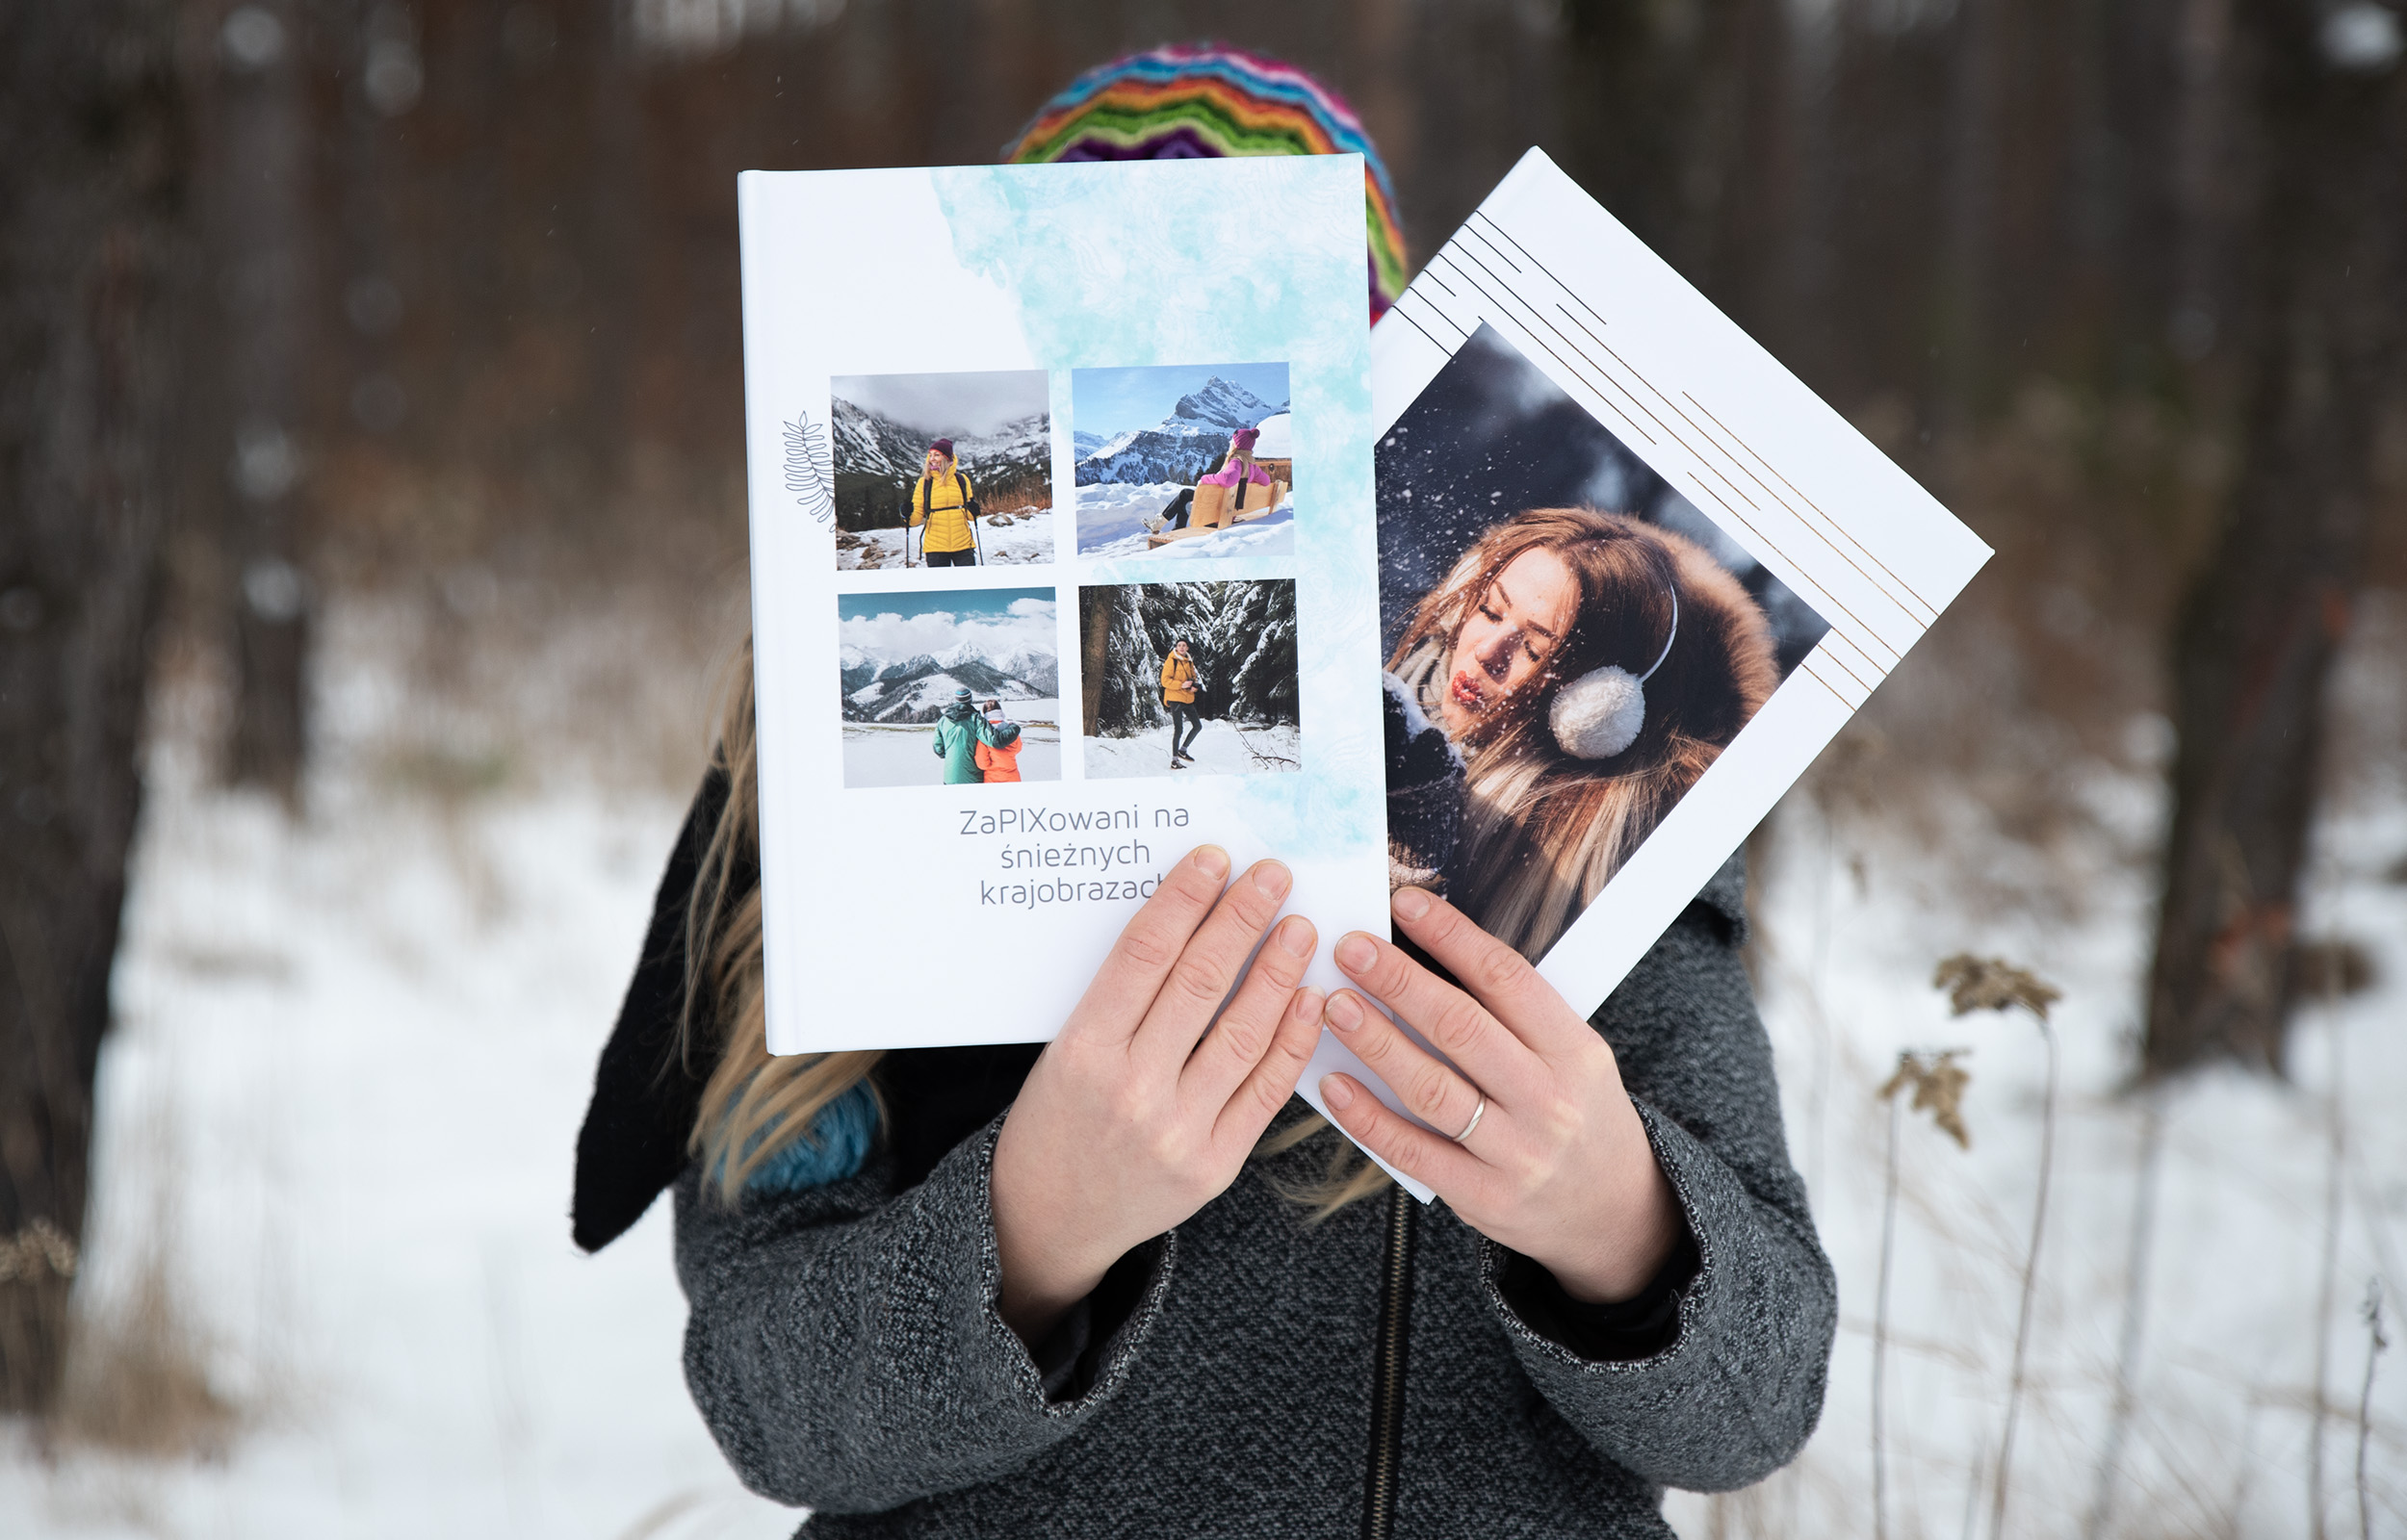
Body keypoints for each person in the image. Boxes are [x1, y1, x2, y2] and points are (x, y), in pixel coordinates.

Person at [570, 47, 1830, 1540]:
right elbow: (772, 1406)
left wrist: (1610, 1216)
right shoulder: (835, 825)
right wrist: (1037, 1226)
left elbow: (1761, 1400)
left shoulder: (1579, 851)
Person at [1383, 506, 1780, 962]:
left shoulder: (1615, 888)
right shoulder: (1393, 691)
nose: (1488, 652)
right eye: (1490, 610)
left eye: (1533, 648)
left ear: (1597, 705)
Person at [909, 440, 980, 568]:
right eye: (930, 455)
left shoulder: (962, 480)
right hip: (935, 547)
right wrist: (907, 516)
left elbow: (970, 516)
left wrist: (975, 510)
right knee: (940, 586)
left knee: (968, 585)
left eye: (937, 455)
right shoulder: (924, 482)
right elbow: (916, 518)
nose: (932, 459)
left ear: (946, 457)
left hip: (963, 544)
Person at [932, 685, 1010, 784]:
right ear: (970, 700)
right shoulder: (976, 719)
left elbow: (938, 749)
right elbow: (993, 741)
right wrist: (1013, 729)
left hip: (950, 777)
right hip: (973, 777)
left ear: (956, 700)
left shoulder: (943, 720)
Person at [1199, 425, 1275, 517]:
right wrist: (1248, 480)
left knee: (1184, 495)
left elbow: (1228, 480)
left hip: (1219, 512)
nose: (1230, 442)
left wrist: (1205, 478)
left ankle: (1178, 527)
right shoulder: (1251, 465)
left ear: (1237, 445)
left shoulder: (1236, 461)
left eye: (1232, 441)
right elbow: (1266, 481)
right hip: (1230, 510)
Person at [1158, 638, 1201, 768]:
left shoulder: (1189, 661)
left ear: (1187, 648)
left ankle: (1183, 750)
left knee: (1197, 726)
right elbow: (1164, 681)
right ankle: (1175, 761)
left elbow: (1193, 678)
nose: (1181, 647)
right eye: (1179, 645)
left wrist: (1195, 687)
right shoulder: (1171, 661)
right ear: (1176, 648)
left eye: (1184, 645)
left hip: (1187, 698)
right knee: (1179, 729)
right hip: (1175, 698)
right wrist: (1181, 685)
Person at [974, 699, 1024, 783]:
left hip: (992, 779)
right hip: (1012, 777)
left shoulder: (986, 734)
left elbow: (982, 763)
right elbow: (1018, 748)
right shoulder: (1011, 730)